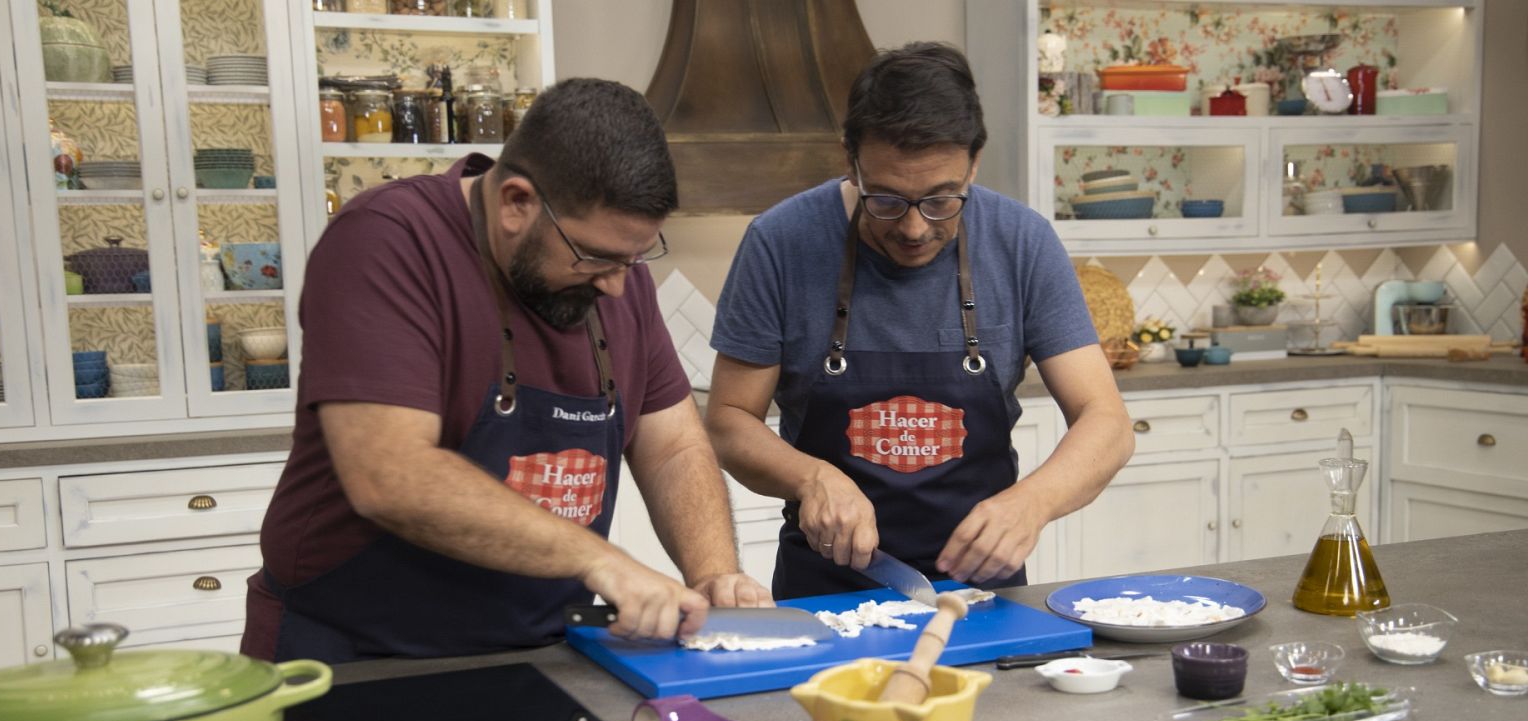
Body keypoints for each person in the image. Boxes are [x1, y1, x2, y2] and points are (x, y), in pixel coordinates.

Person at [242, 78, 769, 664]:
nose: (619, 284)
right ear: (516, 203)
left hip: (543, 650)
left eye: (635, 258)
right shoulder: (386, 241)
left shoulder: (615, 269)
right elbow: (391, 475)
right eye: (596, 258)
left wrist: (716, 574)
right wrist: (602, 559)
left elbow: (670, 445)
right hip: (362, 657)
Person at [706, 43, 1134, 599]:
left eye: (941, 200)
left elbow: (1107, 421)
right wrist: (812, 478)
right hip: (824, 591)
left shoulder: (1022, 244)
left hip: (983, 593)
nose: (913, 229)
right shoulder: (780, 243)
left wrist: (1032, 502)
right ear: (850, 161)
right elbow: (729, 420)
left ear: (974, 164)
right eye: (885, 199)